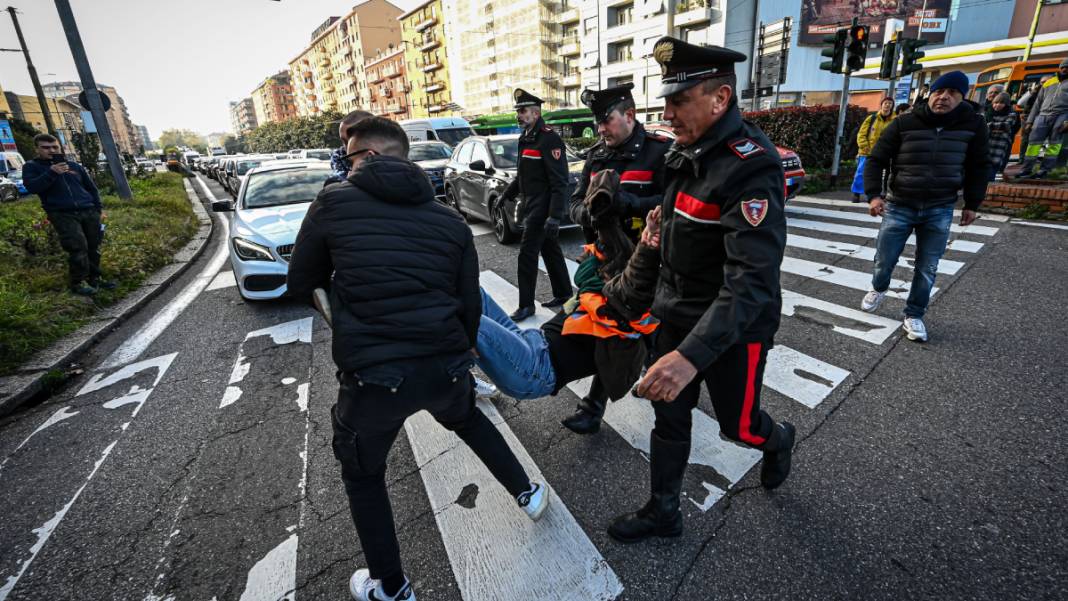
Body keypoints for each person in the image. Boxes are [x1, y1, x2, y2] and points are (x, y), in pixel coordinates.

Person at [286, 117, 548, 601]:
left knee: (364, 475)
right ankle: (528, 494)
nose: (343, 165)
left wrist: (345, 325)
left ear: (363, 156)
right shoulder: (449, 219)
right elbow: (470, 301)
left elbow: (302, 282)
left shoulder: (334, 202)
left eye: (347, 156)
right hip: (444, 364)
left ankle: (392, 586)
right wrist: (461, 351)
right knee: (468, 420)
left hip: (374, 378)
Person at [606, 37, 797, 545]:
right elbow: (672, 207)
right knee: (669, 418)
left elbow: (750, 281)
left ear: (720, 99)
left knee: (740, 427)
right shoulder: (687, 149)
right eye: (666, 101)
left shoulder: (751, 165)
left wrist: (689, 357)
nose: (666, 113)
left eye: (678, 101)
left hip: (735, 328)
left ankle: (779, 441)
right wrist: (631, 208)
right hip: (677, 312)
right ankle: (663, 511)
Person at [561, 83, 671, 435]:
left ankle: (601, 403)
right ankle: (597, 405)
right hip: (608, 262)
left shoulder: (660, 153)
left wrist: (631, 204)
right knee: (613, 327)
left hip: (650, 262)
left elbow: (674, 203)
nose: (601, 129)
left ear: (630, 115)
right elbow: (574, 202)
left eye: (606, 121)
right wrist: (590, 214)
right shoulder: (597, 156)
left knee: (633, 330)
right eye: (598, 123)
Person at [477, 201, 661, 404]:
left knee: (467, 318)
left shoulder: (624, 306)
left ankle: (458, 377)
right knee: (474, 294)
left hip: (534, 370)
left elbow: (636, 280)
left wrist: (647, 244)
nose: (596, 254)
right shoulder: (593, 286)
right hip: (530, 341)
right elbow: (588, 266)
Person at [861, 71, 989, 342]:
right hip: (899, 204)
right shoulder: (904, 122)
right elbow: (876, 159)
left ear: (962, 97)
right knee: (885, 259)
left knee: (928, 265)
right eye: (939, 92)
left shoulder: (974, 125)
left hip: (939, 207)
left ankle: (914, 314)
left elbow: (979, 166)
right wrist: (874, 195)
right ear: (930, 94)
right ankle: (878, 287)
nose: (943, 97)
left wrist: (972, 203)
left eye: (952, 93)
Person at [500, 89, 573, 322]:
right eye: (518, 112)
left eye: (522, 111)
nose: (518, 116)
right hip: (531, 203)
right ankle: (563, 293)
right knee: (550, 250)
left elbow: (559, 181)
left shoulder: (548, 137)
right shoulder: (526, 137)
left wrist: (554, 216)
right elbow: (523, 175)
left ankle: (526, 305)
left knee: (527, 255)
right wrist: (507, 194)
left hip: (542, 209)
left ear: (536, 112)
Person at [22, 134, 114, 296]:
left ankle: (95, 278)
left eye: (54, 147)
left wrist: (98, 209)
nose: (51, 150)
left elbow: (91, 188)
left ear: (59, 147)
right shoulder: (32, 167)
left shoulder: (73, 166)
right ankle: (78, 282)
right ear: (37, 149)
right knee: (77, 247)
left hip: (88, 210)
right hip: (62, 213)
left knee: (93, 246)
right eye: (46, 147)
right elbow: (33, 187)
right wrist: (52, 172)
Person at [1018, 58, 1068, 179]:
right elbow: (1037, 103)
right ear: (1059, 68)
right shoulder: (1049, 82)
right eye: (1063, 67)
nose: (1065, 69)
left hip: (1062, 114)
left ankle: (1044, 170)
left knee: (1054, 145)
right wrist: (1030, 121)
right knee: (1033, 143)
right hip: (1042, 115)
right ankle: (1026, 169)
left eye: (1067, 67)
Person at [852, 97, 895, 203]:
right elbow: (861, 134)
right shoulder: (872, 118)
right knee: (861, 173)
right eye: (885, 103)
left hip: (885, 153)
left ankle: (874, 194)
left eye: (890, 103)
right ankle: (856, 193)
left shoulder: (895, 120)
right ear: (881, 104)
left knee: (881, 175)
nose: (887, 105)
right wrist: (865, 147)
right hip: (867, 152)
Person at [327, 109, 375, 183]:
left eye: (352, 142)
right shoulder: (339, 156)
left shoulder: (390, 154)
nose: (347, 149)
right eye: (344, 141)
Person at [986, 92, 1021, 181]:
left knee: (994, 165)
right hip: (987, 143)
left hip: (1000, 144)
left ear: (1006, 104)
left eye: (1001, 103)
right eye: (995, 102)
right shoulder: (989, 112)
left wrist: (989, 125)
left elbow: (1007, 125)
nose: (997, 105)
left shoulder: (1012, 113)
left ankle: (989, 186)